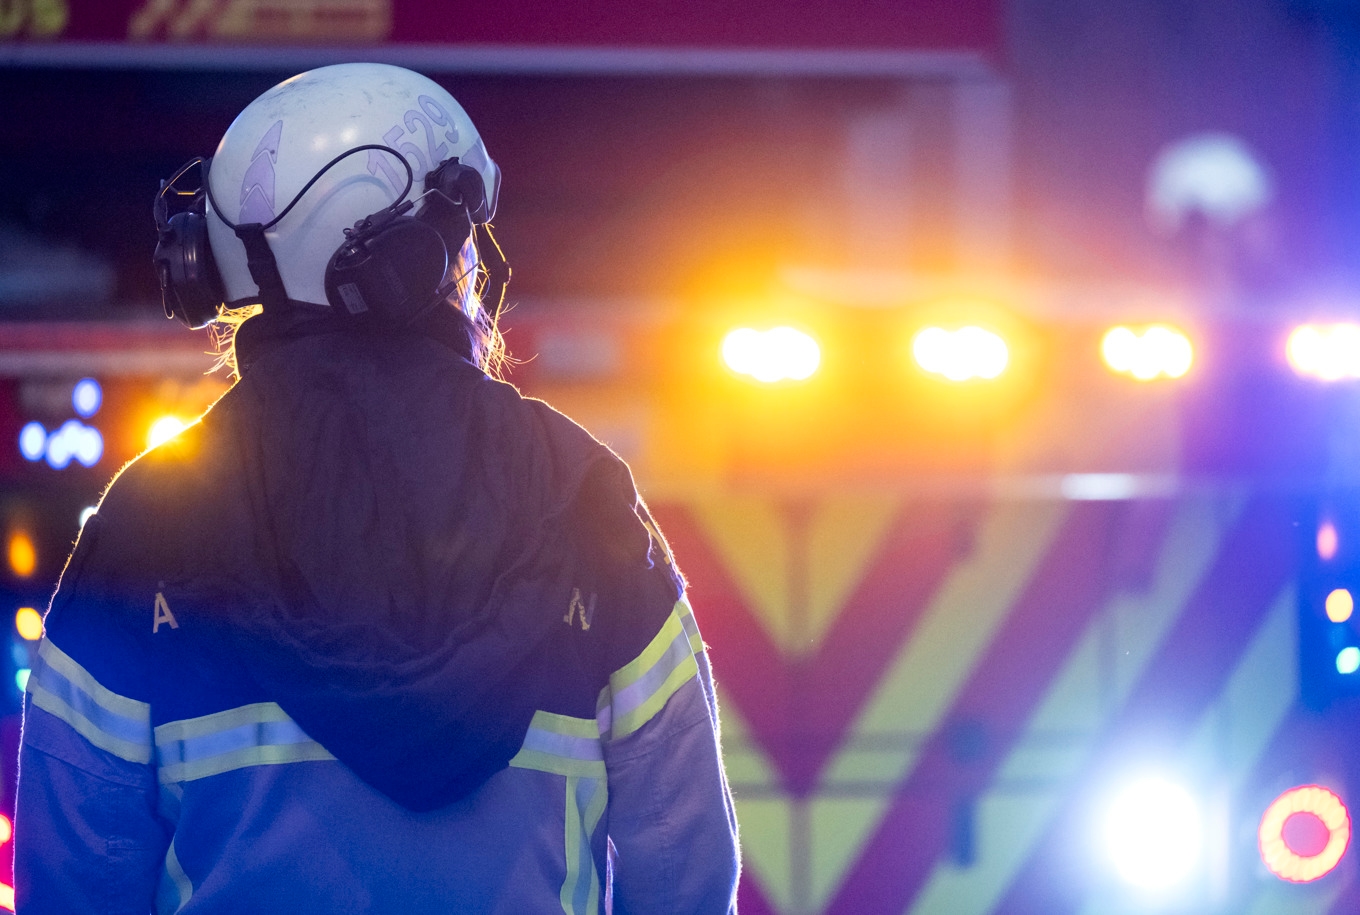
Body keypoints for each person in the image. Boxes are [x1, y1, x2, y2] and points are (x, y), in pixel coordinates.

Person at [14, 62, 740, 914]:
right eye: (461, 236)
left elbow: (74, 871)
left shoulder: (148, 519)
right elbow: (683, 856)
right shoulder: (580, 495)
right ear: (415, 256)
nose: (472, 264)